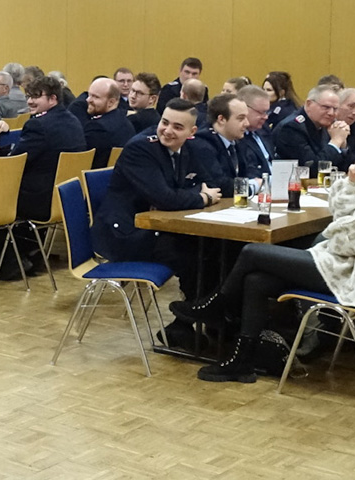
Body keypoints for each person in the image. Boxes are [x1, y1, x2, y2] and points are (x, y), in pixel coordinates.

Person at [175, 126, 355, 382]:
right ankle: (241, 360)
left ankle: (218, 306)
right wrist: (354, 186)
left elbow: (347, 241)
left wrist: (338, 224)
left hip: (352, 274)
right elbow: (347, 221)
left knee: (252, 251)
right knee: (256, 280)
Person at [92, 100, 220, 331]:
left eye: (177, 127)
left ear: (191, 132)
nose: (168, 131)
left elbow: (208, 183)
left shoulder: (187, 148)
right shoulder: (140, 149)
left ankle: (209, 322)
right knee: (194, 255)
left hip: (157, 227)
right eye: (164, 122)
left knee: (215, 249)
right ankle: (186, 326)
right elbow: (167, 198)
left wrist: (184, 195)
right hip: (125, 234)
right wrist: (202, 198)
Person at [13, 75, 87, 226]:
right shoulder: (74, 121)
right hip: (68, 196)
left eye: (35, 96)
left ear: (53, 99)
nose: (29, 101)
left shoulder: (37, 125)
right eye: (28, 96)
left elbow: (15, 162)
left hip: (39, 200)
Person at [272, 84, 355, 168]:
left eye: (335, 109)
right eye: (326, 107)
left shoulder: (325, 125)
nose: (331, 113)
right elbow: (311, 168)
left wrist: (342, 145)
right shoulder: (291, 128)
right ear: (309, 104)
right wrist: (336, 141)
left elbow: (347, 168)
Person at [191, 93, 259, 190]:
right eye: (241, 118)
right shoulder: (202, 144)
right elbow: (219, 183)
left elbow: (250, 169)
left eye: (246, 118)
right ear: (221, 119)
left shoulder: (238, 140)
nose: (247, 123)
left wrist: (256, 180)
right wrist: (252, 187)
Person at [73, 77, 135, 168]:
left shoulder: (97, 127)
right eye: (89, 95)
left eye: (95, 97)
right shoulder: (126, 123)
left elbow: (80, 159)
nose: (88, 100)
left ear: (111, 102)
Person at [237, 85, 277, 177]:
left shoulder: (264, 129)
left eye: (266, 112)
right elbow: (250, 173)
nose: (266, 117)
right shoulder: (237, 137)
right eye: (261, 112)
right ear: (244, 108)